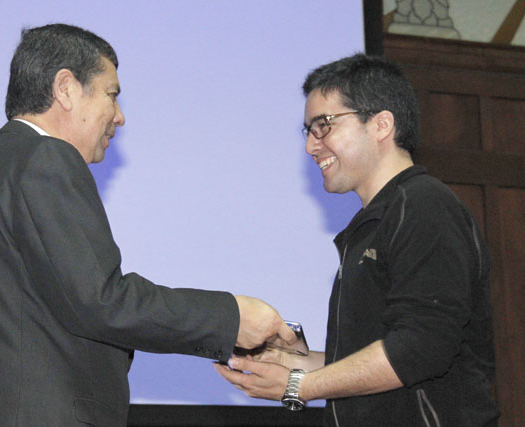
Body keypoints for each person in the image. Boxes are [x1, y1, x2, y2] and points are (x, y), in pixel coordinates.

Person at [0, 23, 296, 427]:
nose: (120, 117)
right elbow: (101, 302)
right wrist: (231, 318)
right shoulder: (45, 158)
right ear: (66, 88)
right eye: (111, 94)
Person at [214, 54, 500, 426]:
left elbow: (420, 349)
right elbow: (377, 361)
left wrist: (299, 386)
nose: (311, 146)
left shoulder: (424, 205)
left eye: (324, 125)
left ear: (381, 124)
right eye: (308, 130)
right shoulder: (371, 223)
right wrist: (294, 363)